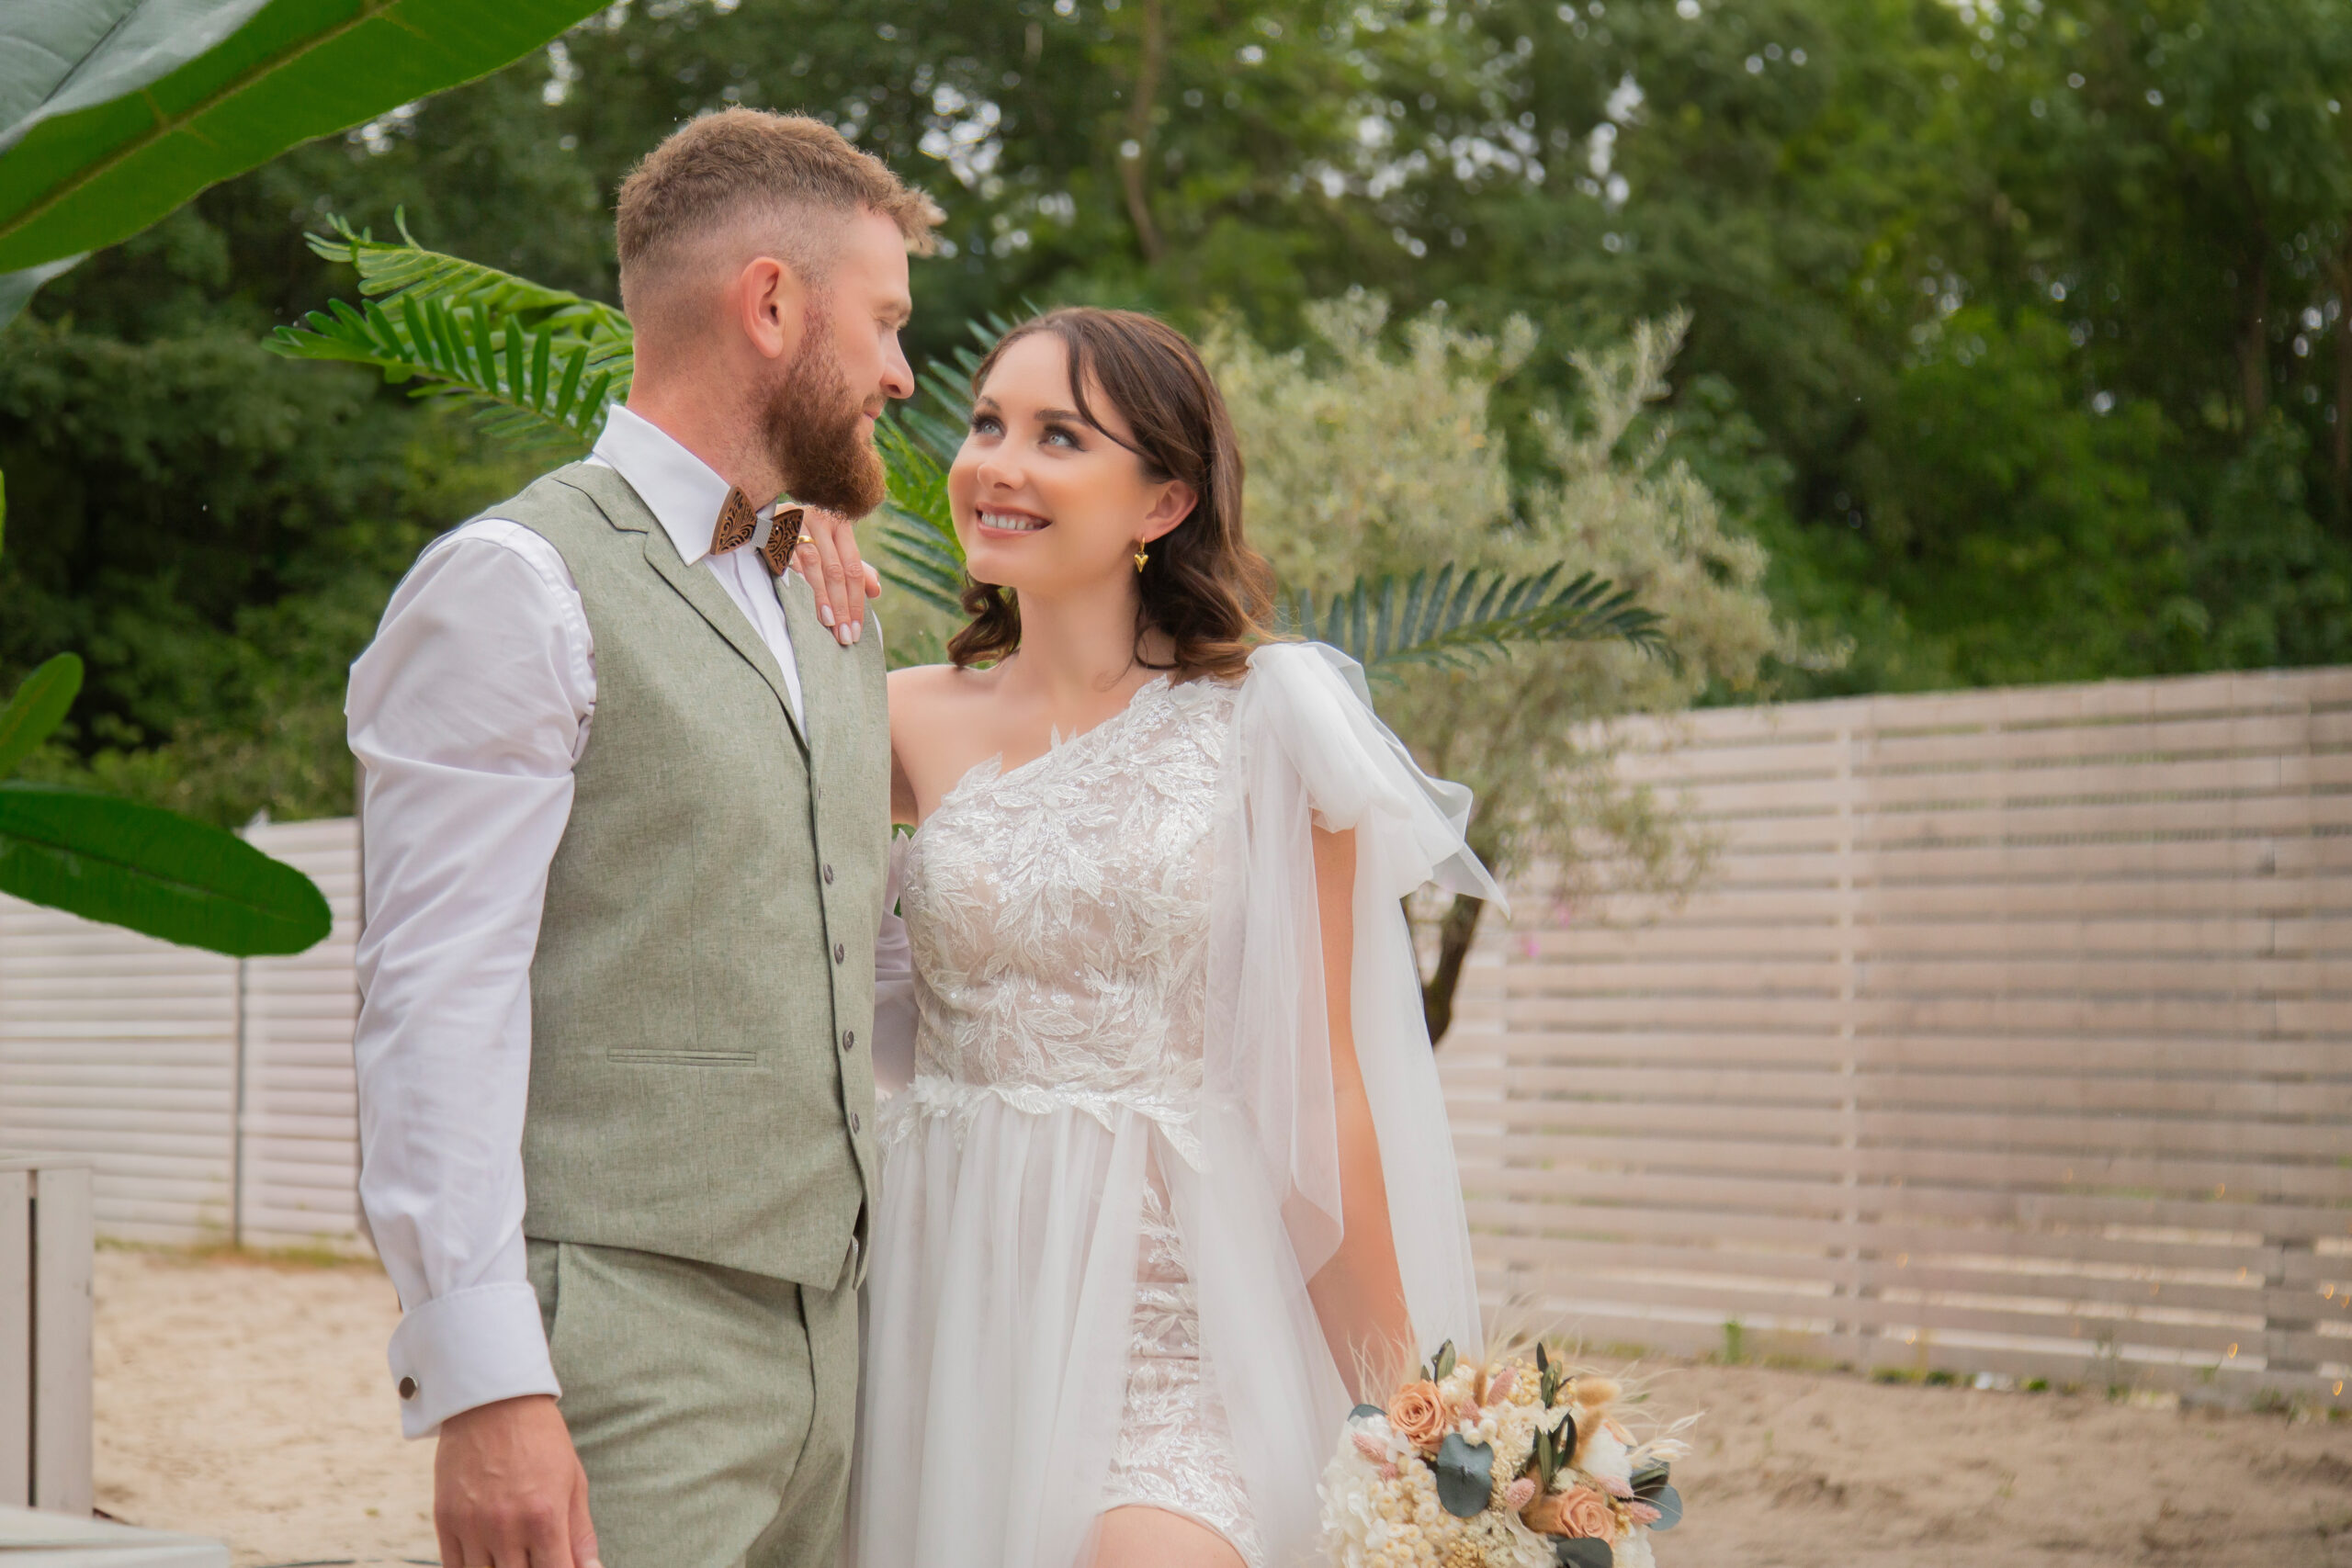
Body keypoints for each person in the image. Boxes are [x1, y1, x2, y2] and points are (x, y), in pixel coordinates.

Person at [345, 108, 937, 1568]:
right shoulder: (514, 583)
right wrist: (484, 1386)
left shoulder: (831, 599)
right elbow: (437, 997)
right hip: (623, 1344)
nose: (903, 374)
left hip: (841, 1352)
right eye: (884, 323)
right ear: (773, 305)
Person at [855, 308, 1500, 1568]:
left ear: (1162, 503)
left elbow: (1328, 1095)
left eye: (1058, 436)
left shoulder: (1271, 725)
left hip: (1172, 1326)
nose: (999, 462)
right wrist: (789, 540)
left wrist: (1417, 1412)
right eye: (987, 424)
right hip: (949, 1296)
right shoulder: (888, 718)